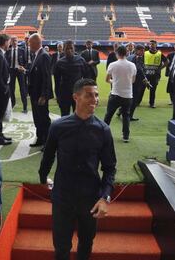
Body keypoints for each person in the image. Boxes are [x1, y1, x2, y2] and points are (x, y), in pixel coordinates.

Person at [39, 78, 117, 260]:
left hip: (90, 199)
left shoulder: (103, 130)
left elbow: (110, 168)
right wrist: (43, 178)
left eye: (96, 95)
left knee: (86, 244)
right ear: (76, 97)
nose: (95, 99)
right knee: (61, 247)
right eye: (89, 95)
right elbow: (48, 157)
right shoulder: (58, 126)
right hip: (62, 198)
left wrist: (105, 198)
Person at [104, 46, 136, 142]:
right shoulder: (132, 65)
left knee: (108, 115)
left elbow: (107, 80)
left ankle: (102, 133)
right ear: (126, 53)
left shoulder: (112, 65)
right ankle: (125, 136)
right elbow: (133, 81)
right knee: (126, 116)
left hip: (115, 94)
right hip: (128, 95)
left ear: (117, 53)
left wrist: (114, 82)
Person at [27, 33, 53, 148]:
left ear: (37, 43)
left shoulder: (44, 56)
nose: (28, 45)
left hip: (40, 95)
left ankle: (47, 142)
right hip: (34, 93)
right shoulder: (37, 55)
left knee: (43, 118)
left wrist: (44, 95)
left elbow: (47, 77)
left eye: (30, 43)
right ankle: (40, 138)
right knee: (37, 117)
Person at [54, 40, 89, 116]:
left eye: (71, 48)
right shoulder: (59, 63)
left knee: (78, 116)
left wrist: (85, 93)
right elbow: (57, 82)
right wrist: (57, 96)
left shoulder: (81, 60)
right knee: (64, 116)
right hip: (64, 94)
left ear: (74, 49)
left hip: (78, 94)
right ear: (64, 50)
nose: (69, 50)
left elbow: (86, 79)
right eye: (67, 48)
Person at [141, 40, 168, 108]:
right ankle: (138, 101)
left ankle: (151, 103)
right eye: (150, 44)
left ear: (156, 45)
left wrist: (160, 68)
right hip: (146, 74)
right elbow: (141, 62)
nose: (151, 45)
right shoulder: (145, 53)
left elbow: (167, 61)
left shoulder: (159, 54)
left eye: (153, 44)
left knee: (153, 89)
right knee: (142, 88)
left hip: (155, 75)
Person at [126, 44, 150, 121]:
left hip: (129, 80)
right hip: (136, 82)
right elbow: (139, 70)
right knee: (134, 100)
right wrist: (145, 80)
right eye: (142, 50)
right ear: (136, 50)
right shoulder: (137, 58)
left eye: (144, 50)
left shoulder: (129, 57)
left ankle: (121, 112)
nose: (143, 52)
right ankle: (129, 116)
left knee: (129, 98)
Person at [5, 36, 28, 113]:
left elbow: (26, 62)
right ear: (10, 42)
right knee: (11, 89)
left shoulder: (22, 50)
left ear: (17, 41)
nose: (14, 42)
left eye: (15, 40)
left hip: (20, 71)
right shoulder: (8, 51)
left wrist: (23, 68)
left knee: (23, 89)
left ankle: (25, 107)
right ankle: (12, 104)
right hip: (11, 71)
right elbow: (6, 62)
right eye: (12, 40)